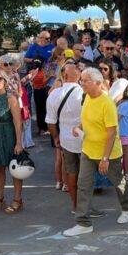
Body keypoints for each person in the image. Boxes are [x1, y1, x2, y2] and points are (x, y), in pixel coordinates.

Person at [63, 67, 128, 236]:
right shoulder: (87, 97)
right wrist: (79, 127)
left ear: (97, 83)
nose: (82, 84)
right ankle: (83, 222)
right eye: (81, 80)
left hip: (108, 152)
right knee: (83, 185)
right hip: (88, 150)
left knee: (118, 181)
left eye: (85, 81)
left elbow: (111, 132)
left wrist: (105, 158)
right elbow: (86, 118)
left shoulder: (107, 103)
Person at [45, 61, 84, 212]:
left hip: (65, 140)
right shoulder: (84, 93)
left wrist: (56, 137)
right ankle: (85, 206)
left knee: (71, 173)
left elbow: (50, 121)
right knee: (85, 175)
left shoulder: (55, 94)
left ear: (64, 75)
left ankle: (76, 206)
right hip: (85, 139)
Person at [0, 70, 25, 215]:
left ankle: (17, 199)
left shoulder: (11, 99)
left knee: (14, 169)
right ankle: (0, 198)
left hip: (9, 134)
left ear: (5, 81)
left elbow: (17, 122)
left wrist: (19, 142)